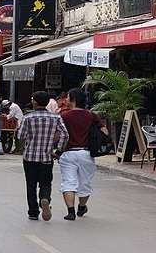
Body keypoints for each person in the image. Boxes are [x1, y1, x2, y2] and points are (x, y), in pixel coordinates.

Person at [17, 91, 68, 221]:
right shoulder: (55, 117)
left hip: (29, 157)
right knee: (45, 183)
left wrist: (27, 139)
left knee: (31, 184)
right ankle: (44, 199)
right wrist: (58, 151)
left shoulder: (28, 117)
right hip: (46, 157)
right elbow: (65, 134)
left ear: (35, 102)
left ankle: (33, 212)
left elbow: (20, 136)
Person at [58, 88, 106, 220]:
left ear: (73, 99)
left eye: (67, 97)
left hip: (68, 153)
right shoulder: (91, 115)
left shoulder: (64, 116)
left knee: (68, 183)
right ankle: (81, 207)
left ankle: (70, 211)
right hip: (86, 153)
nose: (65, 100)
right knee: (85, 183)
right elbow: (104, 131)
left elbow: (58, 135)